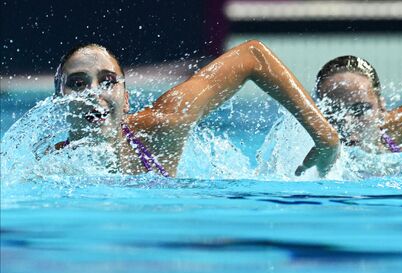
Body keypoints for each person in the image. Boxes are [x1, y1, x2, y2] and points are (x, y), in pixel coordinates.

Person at [53, 41, 340, 177]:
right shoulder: (50, 167)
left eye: (107, 81)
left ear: (126, 98)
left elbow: (254, 56)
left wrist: (325, 136)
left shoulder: (162, 127)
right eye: (78, 84)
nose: (94, 93)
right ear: (58, 101)